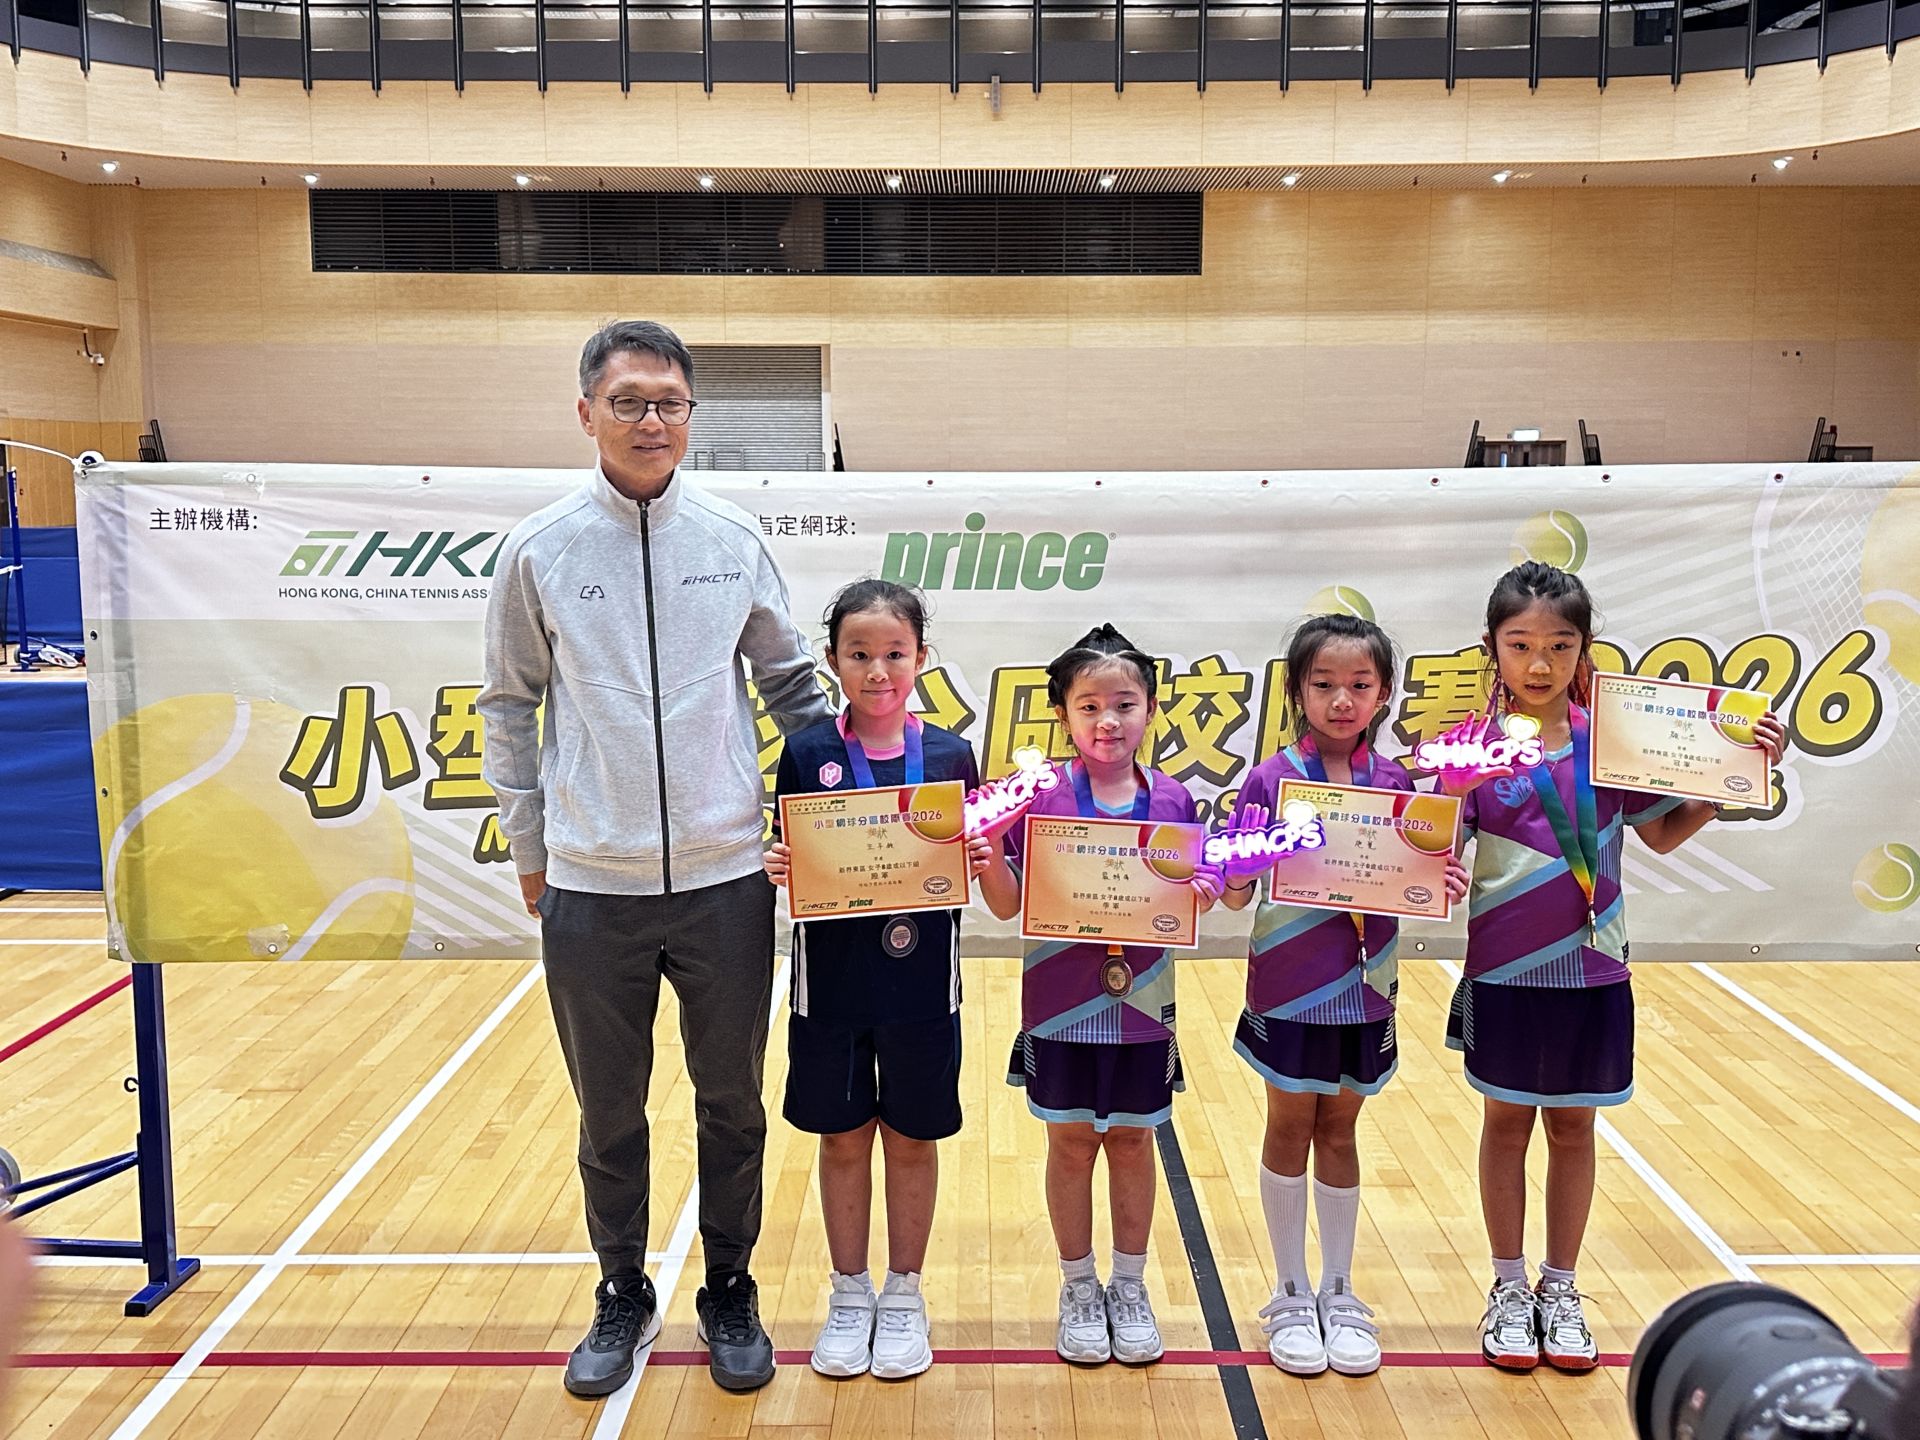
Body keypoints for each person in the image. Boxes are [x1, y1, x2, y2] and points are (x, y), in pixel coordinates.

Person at [478, 319, 832, 1396]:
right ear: (586, 411)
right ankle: (622, 1289)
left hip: (727, 883)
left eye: (669, 402)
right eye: (629, 401)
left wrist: (832, 807)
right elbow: (508, 704)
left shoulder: (730, 538)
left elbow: (792, 686)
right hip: (592, 886)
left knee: (732, 1103)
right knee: (608, 1111)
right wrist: (533, 846)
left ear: (690, 415)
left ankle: (730, 1285)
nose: (651, 421)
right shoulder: (539, 548)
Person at [1444, 562, 1784, 1373]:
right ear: (1491, 647)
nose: (1539, 664)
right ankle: (1508, 1287)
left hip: (1594, 972)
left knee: (1573, 1127)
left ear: (1584, 647)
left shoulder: (1615, 740)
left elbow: (1662, 834)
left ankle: (1560, 1289)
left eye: (1559, 645)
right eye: (1520, 644)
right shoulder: (1467, 750)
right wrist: (1439, 829)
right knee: (1505, 1125)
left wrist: (1735, 773)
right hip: (1503, 973)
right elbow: (1434, 853)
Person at [1221, 614, 1468, 1377]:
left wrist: (1441, 878)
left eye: (1359, 684)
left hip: (1367, 988)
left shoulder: (1397, 786)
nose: (1341, 700)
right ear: (1297, 691)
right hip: (1290, 988)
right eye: (1323, 684)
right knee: (1290, 1123)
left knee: (1340, 1131)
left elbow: (1417, 881)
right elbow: (1234, 892)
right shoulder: (1269, 779)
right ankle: (1290, 1290)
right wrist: (1241, 861)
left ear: (1384, 693)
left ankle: (1338, 1286)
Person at [975, 624, 1222, 1367]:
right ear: (1063, 715)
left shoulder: (1173, 800)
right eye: (1089, 707)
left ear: (1151, 710)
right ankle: (1079, 1285)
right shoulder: (1038, 795)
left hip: (1143, 1006)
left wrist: (1204, 890)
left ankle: (1131, 1286)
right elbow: (1005, 906)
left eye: (1124, 704)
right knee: (1072, 1141)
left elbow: (1191, 893)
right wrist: (988, 856)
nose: (1107, 721)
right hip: (1061, 1005)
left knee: (1136, 1140)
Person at [763, 579, 990, 1381]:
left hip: (924, 985)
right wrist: (780, 863)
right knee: (841, 1136)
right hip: (831, 984)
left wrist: (978, 857)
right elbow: (792, 855)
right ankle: (849, 1291)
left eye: (895, 653)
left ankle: (903, 1293)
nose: (878, 670)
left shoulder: (952, 757)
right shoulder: (806, 753)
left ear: (922, 658)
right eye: (859, 654)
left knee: (913, 1137)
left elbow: (975, 873)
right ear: (833, 661)